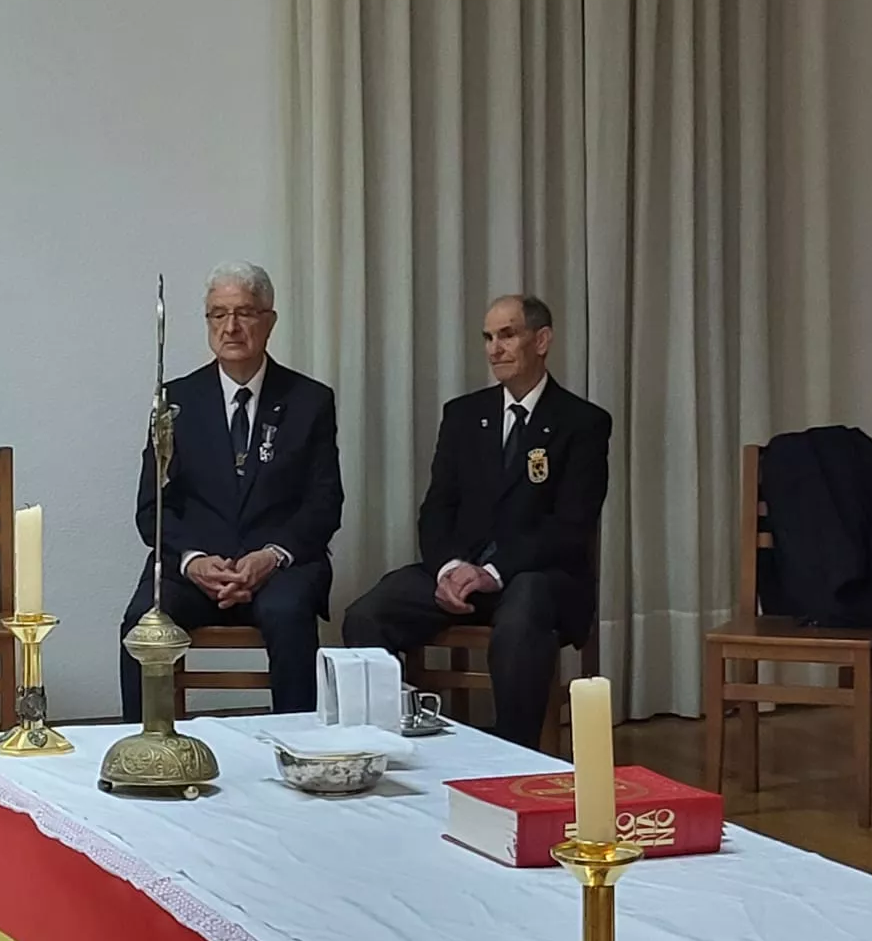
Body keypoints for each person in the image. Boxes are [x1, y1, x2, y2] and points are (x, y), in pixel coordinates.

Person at [340, 294, 610, 749]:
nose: (494, 349)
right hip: (460, 573)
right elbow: (436, 508)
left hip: (535, 577)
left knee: (525, 614)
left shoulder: (581, 422)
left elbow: (570, 526)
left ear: (541, 340)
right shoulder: (464, 415)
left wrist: (491, 573)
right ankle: (388, 742)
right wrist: (448, 569)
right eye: (488, 337)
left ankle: (513, 757)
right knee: (366, 614)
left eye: (508, 335)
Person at [119, 261, 343, 719]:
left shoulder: (309, 400)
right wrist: (194, 560)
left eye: (244, 312)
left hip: (280, 566)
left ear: (270, 320)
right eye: (218, 315)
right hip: (195, 569)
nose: (231, 327)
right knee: (142, 621)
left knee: (288, 615)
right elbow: (152, 507)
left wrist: (271, 555)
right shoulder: (174, 401)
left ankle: (298, 750)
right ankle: (140, 751)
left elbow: (324, 503)